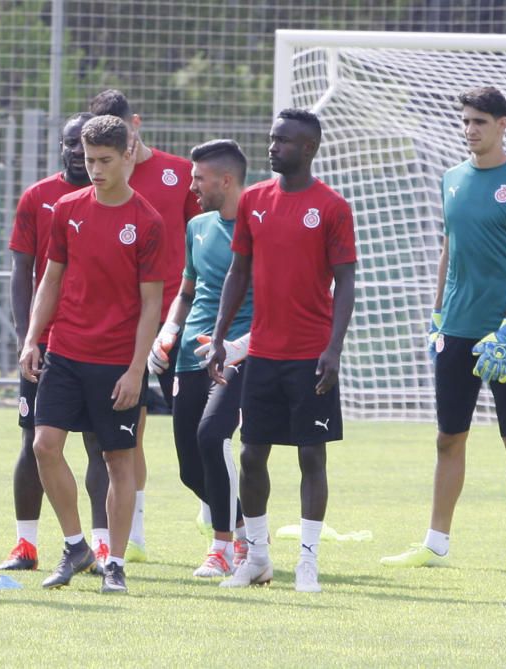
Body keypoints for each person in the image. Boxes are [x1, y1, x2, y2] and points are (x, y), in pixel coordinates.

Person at [381, 87, 506, 575]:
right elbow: (448, 251)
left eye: (479, 121)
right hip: (455, 331)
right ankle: (436, 543)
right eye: (466, 121)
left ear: (502, 124)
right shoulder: (451, 179)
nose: (470, 129)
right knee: (447, 438)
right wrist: (436, 318)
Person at [208, 109, 356, 593]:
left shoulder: (332, 206)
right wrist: (219, 337)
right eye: (272, 139)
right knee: (252, 454)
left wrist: (334, 348)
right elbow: (238, 274)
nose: (273, 148)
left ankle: (308, 563)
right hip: (264, 354)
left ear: (309, 148)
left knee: (311, 457)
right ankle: (257, 558)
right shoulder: (253, 200)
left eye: (284, 142)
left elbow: (347, 280)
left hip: (311, 354)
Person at [19, 114, 164, 594]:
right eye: (88, 159)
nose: (95, 169)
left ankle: (116, 563)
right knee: (43, 445)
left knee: (118, 462)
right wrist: (33, 338)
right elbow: (51, 279)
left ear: (128, 155)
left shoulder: (147, 221)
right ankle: (76, 545)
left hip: (115, 362)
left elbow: (150, 304)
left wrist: (136, 369)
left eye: (105, 160)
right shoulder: (65, 209)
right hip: (65, 352)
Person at [88, 89, 202, 562]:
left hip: (181, 318)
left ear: (134, 122)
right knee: (126, 434)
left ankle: (220, 515)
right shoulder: (100, 182)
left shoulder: (178, 173)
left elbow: (208, 237)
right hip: (123, 327)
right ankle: (131, 536)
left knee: (198, 430)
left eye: (123, 131)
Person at [0, 112, 112, 572]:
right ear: (62, 148)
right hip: (47, 346)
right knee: (34, 443)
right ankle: (26, 545)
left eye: (82, 146)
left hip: (98, 345)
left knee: (98, 446)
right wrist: (30, 337)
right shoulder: (38, 198)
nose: (75, 154)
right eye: (69, 145)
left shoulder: (116, 202)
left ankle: (102, 548)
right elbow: (22, 273)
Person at [147, 139, 252, 578]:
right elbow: (187, 293)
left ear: (225, 181)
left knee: (213, 438)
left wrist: (239, 345)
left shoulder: (261, 227)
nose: (191, 186)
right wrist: (167, 331)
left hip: (238, 356)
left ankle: (222, 548)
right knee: (191, 469)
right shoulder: (199, 227)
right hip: (189, 357)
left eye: (199, 179)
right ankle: (247, 535)